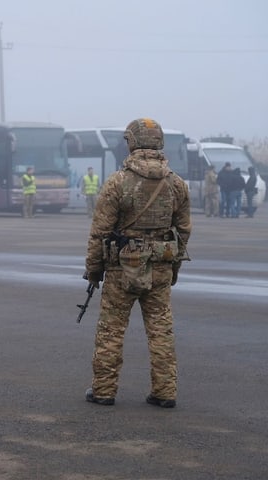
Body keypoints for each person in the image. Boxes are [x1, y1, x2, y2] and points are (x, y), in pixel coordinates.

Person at [83, 118, 191, 408]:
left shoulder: (117, 182)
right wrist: (174, 269)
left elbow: (100, 232)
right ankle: (165, 392)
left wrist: (94, 271)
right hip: (160, 268)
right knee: (161, 331)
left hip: (122, 270)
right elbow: (183, 232)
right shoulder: (176, 184)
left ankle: (104, 391)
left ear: (132, 142)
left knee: (111, 331)